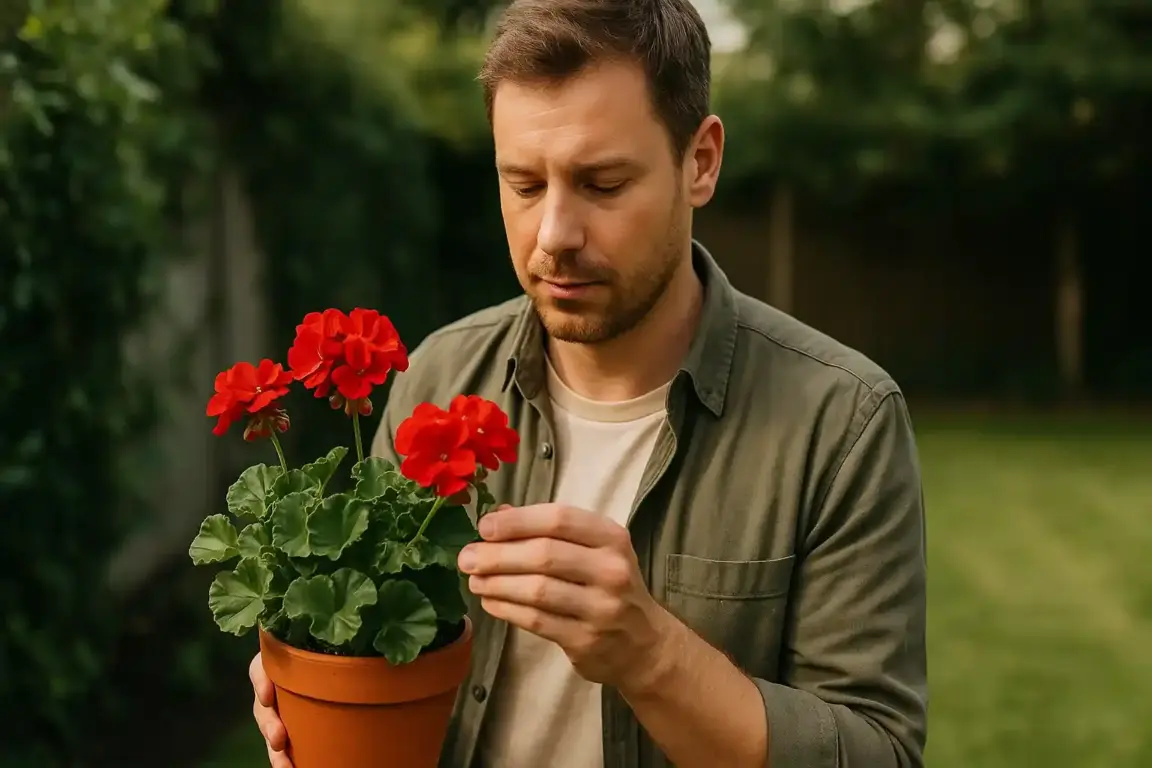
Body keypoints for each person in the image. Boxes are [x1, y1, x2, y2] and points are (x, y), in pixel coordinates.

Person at [250, 0, 929, 765]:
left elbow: (878, 752)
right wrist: (314, 688)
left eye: (602, 184)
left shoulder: (842, 422)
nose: (554, 236)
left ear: (701, 162)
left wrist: (651, 654)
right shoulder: (438, 376)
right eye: (524, 185)